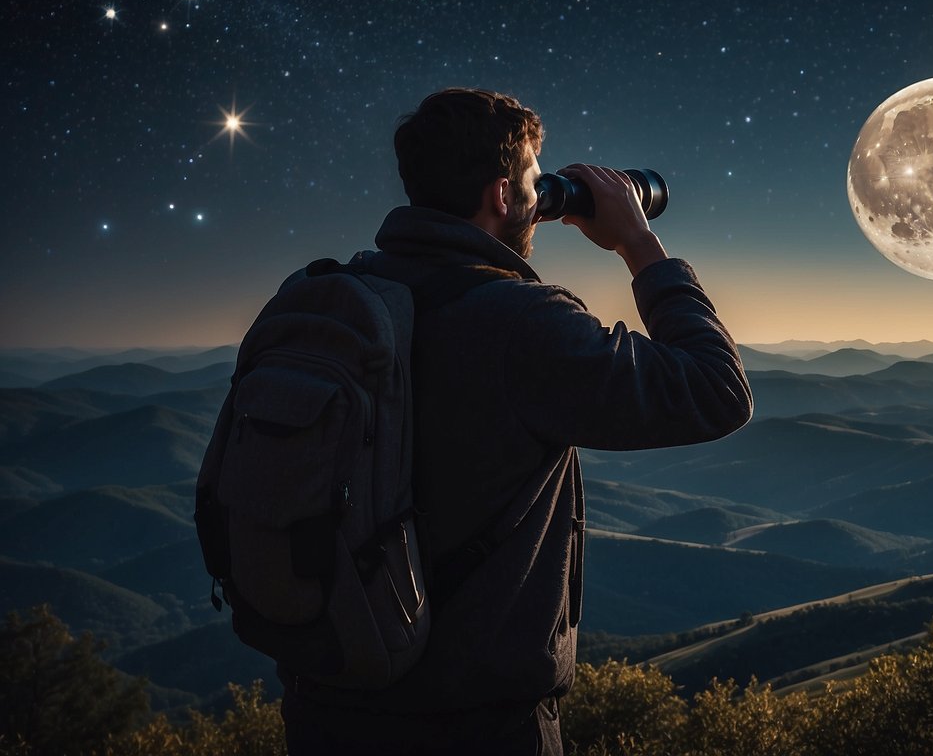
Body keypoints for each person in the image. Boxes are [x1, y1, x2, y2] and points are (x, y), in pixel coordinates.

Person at [278, 87, 753, 755]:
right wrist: (639, 242)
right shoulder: (520, 323)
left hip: (324, 703)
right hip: (472, 723)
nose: (542, 195)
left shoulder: (332, 297)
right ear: (503, 196)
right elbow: (715, 391)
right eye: (536, 180)